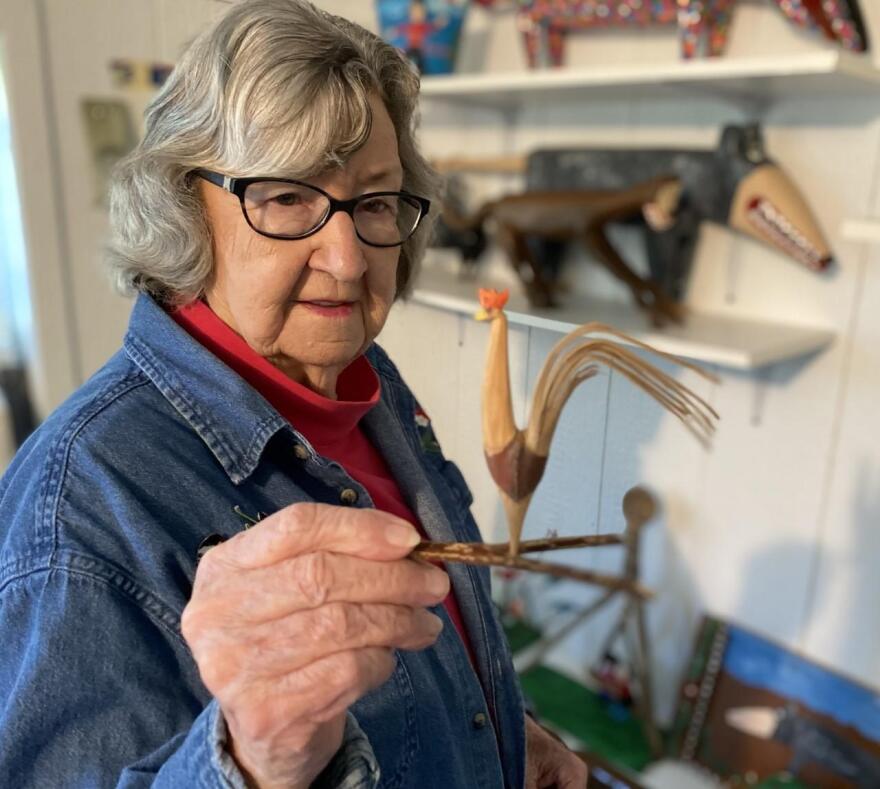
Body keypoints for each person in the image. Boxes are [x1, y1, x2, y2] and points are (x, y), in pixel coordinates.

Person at [0, 1, 587, 787]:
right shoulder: (82, 502)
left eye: (374, 202)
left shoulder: (368, 390)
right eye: (286, 198)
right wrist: (252, 759)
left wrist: (498, 730)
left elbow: (419, 661)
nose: (346, 259)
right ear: (185, 205)